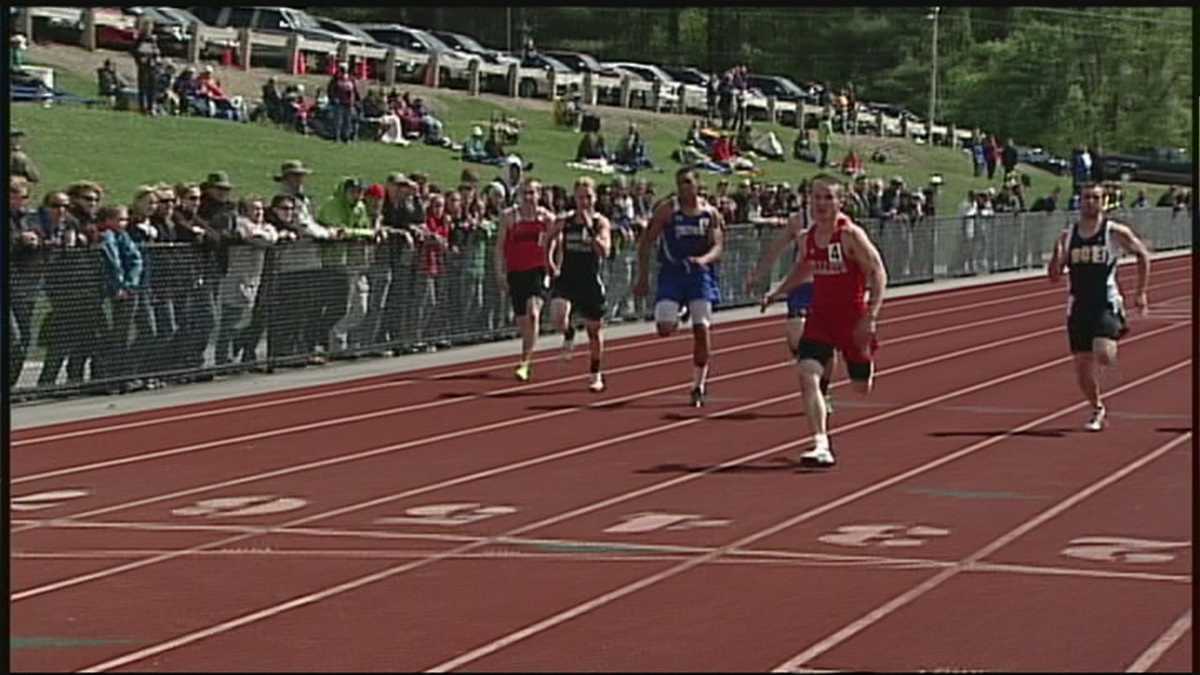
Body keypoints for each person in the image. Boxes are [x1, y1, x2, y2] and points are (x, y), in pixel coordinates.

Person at [761, 175, 888, 467]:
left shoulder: (849, 235)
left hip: (853, 319)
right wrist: (777, 292)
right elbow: (803, 269)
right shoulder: (807, 238)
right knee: (807, 374)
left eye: (828, 198)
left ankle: (863, 364)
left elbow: (878, 272)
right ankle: (821, 442)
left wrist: (871, 317)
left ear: (840, 202)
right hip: (820, 317)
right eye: (816, 197)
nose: (821, 204)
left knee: (860, 387)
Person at [1047, 183, 1151, 432]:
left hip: (1105, 302)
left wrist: (1141, 292)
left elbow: (1143, 255)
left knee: (1103, 355)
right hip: (1079, 305)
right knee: (1082, 368)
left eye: (1095, 198)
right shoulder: (1068, 235)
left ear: (1103, 202)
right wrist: (1056, 254)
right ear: (1079, 201)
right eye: (1086, 198)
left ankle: (1113, 331)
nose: (1090, 202)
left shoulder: (1113, 232)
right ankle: (1097, 408)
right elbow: (1054, 276)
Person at [634, 167, 725, 407]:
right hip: (672, 273)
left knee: (702, 332)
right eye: (679, 183)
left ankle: (698, 385)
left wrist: (703, 260)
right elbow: (646, 243)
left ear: (697, 184)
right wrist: (642, 277)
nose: (683, 188)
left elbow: (717, 246)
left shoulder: (710, 213)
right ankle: (680, 311)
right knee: (664, 328)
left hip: (699, 276)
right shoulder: (667, 211)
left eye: (687, 182)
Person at [744, 202, 836, 411]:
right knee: (797, 339)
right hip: (802, 286)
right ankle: (810, 369)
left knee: (827, 346)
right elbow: (775, 249)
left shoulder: (840, 222)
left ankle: (823, 390)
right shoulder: (798, 221)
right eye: (815, 196)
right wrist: (758, 275)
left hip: (829, 285)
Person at [544, 176, 613, 393]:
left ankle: (595, 373)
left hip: (590, 282)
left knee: (594, 331)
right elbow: (547, 238)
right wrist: (549, 262)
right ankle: (569, 332)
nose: (584, 202)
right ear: (574, 197)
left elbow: (605, 251)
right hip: (567, 278)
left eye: (589, 197)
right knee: (557, 316)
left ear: (595, 198)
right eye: (581, 197)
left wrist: (591, 232)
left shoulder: (600, 222)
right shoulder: (565, 220)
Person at [496, 179, 557, 381]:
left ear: (539, 195)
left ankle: (525, 362)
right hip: (516, 272)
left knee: (533, 314)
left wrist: (553, 264)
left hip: (537, 271)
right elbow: (499, 247)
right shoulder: (509, 217)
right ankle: (527, 352)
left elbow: (557, 241)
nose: (529, 198)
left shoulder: (546, 218)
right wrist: (500, 272)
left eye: (532, 193)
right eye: (525, 193)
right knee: (523, 321)